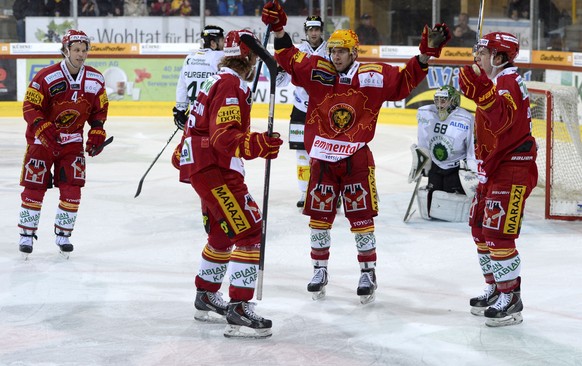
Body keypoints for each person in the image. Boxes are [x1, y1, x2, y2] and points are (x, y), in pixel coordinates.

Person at [261, 1, 450, 304]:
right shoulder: (317, 69)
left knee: (361, 218)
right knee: (319, 218)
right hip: (322, 158)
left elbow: (403, 83)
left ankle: (367, 271)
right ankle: (319, 269)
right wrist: (281, 29)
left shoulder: (373, 76)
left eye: (341, 51)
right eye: (332, 50)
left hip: (356, 158)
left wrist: (425, 54)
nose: (335, 56)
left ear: (354, 53)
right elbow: (288, 57)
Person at [176, 29, 283, 338]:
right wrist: (259, 144)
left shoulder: (214, 80)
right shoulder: (230, 85)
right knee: (250, 230)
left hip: (203, 169)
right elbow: (223, 139)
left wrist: (185, 156)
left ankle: (206, 294)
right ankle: (239, 306)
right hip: (217, 170)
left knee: (224, 232)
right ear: (248, 57)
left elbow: (196, 129)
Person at [459, 32, 537, 327]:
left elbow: (502, 120)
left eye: (483, 51)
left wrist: (481, 91)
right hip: (493, 167)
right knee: (480, 230)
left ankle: (511, 297)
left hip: (512, 168)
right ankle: (494, 288)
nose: (476, 56)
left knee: (498, 235)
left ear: (499, 58)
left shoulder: (506, 82)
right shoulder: (497, 81)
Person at [17, 29, 109, 259]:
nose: (81, 54)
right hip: (42, 142)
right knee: (34, 187)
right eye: (76, 50)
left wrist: (97, 130)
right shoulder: (46, 77)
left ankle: (63, 235)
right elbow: (30, 106)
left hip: (72, 143)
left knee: (73, 188)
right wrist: (42, 128)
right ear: (66, 50)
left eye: (84, 49)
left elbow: (100, 108)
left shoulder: (96, 79)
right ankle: (26, 235)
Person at [275, 15, 327, 208]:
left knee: (326, 152)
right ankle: (305, 192)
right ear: (306, 31)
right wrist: (277, 70)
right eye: (310, 29)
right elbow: (281, 82)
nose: (314, 33)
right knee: (301, 153)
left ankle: (329, 190)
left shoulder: (331, 51)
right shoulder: (296, 52)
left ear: (321, 30)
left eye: (317, 29)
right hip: (300, 109)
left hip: (324, 110)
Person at [412, 85, 477, 222]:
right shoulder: (426, 113)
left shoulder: (466, 119)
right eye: (437, 100)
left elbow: (471, 145)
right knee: (432, 199)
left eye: (444, 101)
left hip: (455, 168)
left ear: (453, 101)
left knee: (451, 202)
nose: (439, 105)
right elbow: (422, 140)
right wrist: (423, 160)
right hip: (436, 165)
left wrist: (472, 166)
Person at [173, 25, 225, 130]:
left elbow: (182, 86)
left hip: (194, 118)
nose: (224, 44)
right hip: (214, 117)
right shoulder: (220, 57)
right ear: (213, 43)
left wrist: (180, 110)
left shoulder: (190, 58)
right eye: (222, 41)